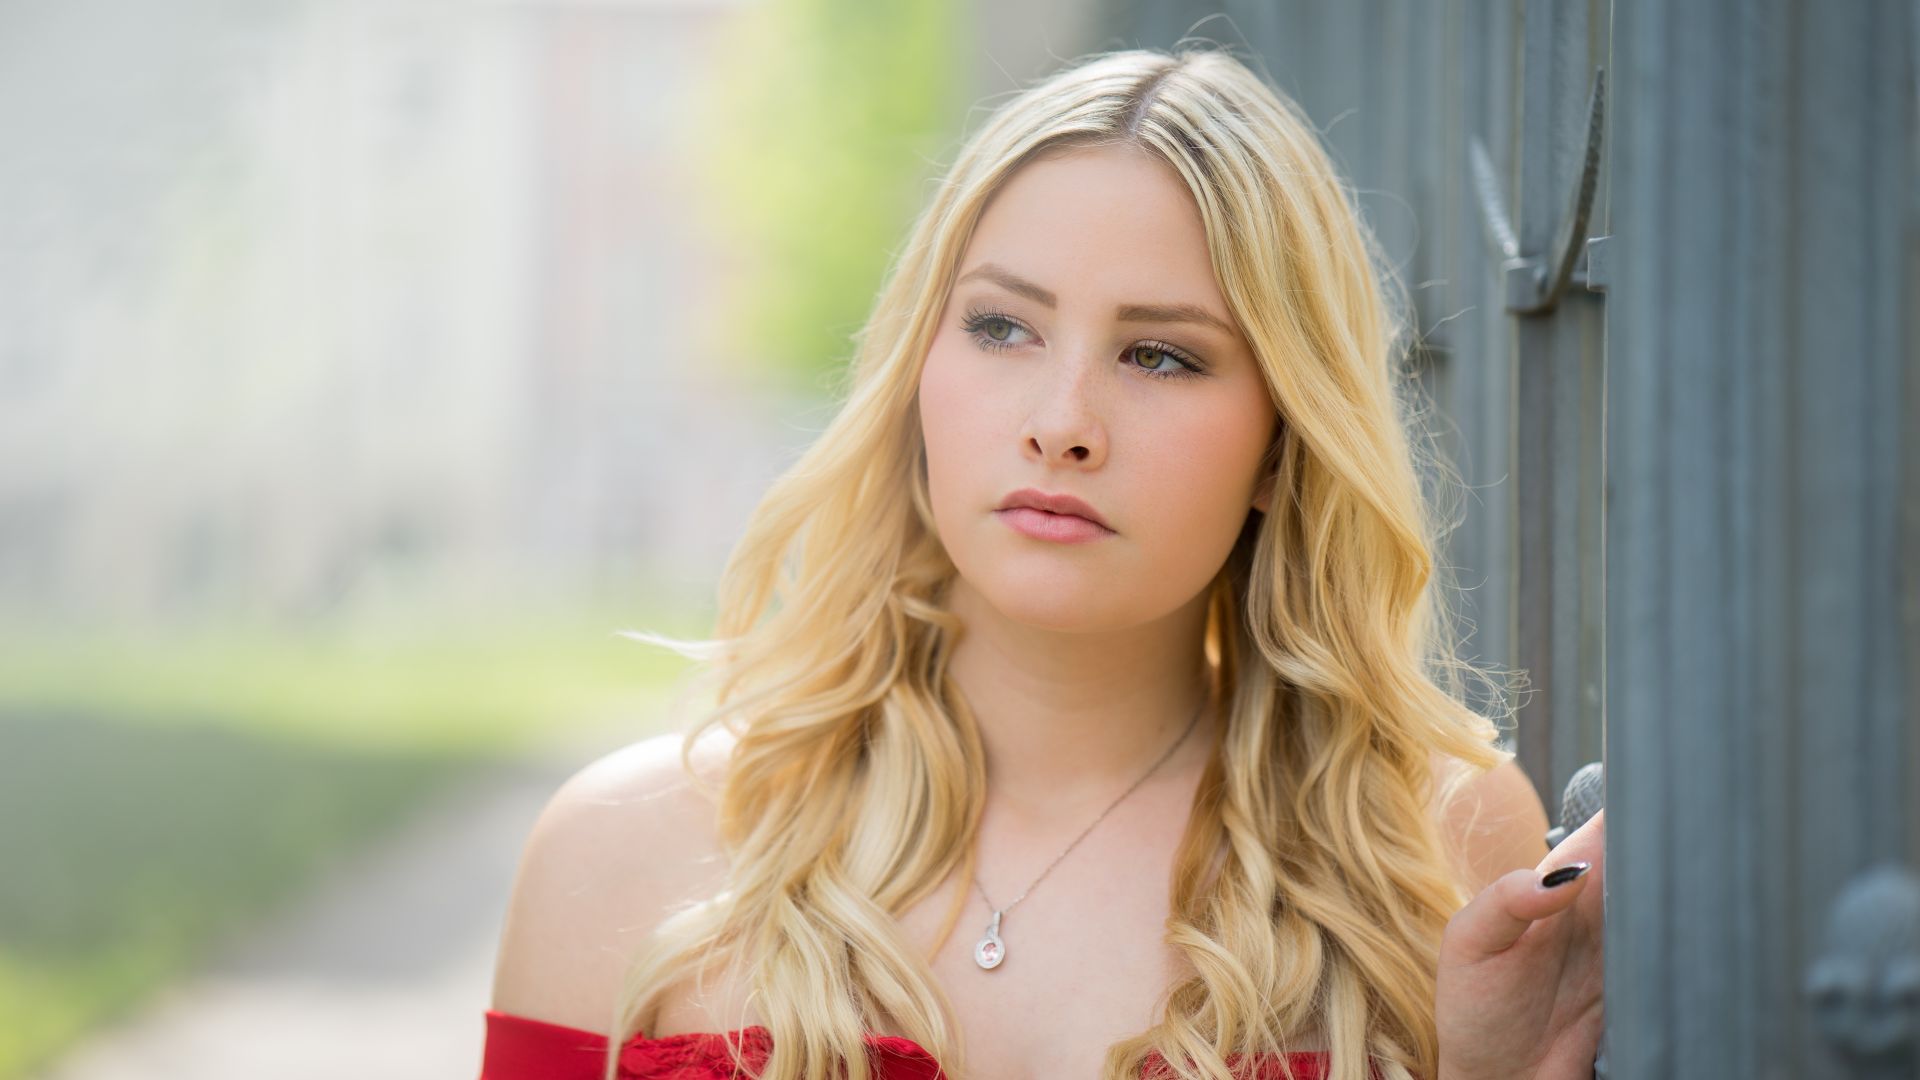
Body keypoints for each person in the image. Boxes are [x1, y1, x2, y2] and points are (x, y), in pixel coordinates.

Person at [480, 45, 1606, 1080]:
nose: (1062, 423)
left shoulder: (1430, 840)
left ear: (1282, 443)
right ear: (917, 367)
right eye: (1002, 328)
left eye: (1160, 356)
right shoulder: (622, 853)